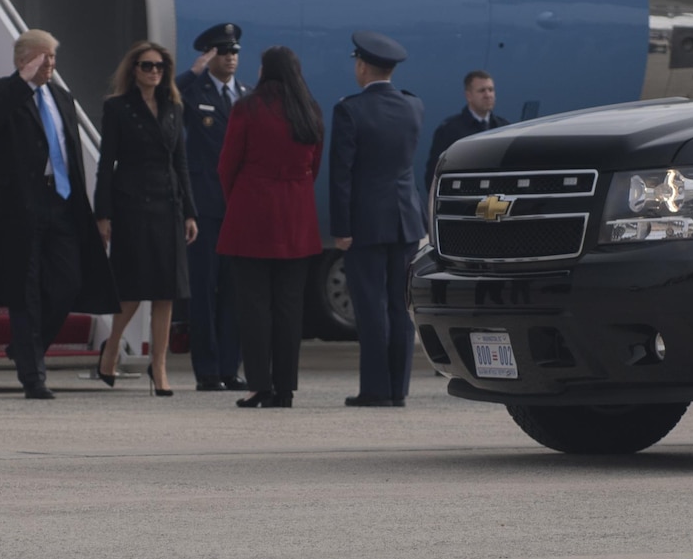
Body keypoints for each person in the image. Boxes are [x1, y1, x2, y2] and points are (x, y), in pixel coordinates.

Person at [0, 30, 117, 399]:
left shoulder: (62, 98)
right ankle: (33, 376)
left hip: (59, 202)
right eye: (44, 59)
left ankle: (26, 348)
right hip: (18, 207)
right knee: (24, 291)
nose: (50, 66)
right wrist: (23, 83)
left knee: (68, 284)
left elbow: (70, 155)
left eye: (53, 59)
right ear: (24, 60)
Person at [216, 46, 324, 410]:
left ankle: (259, 385)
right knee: (290, 309)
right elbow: (315, 166)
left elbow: (227, 165)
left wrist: (242, 200)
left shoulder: (246, 108)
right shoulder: (310, 110)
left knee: (253, 307)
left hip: (251, 215)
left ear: (264, 70)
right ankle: (285, 388)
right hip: (297, 219)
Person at [93, 41, 198, 396]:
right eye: (146, 66)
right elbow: (106, 164)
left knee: (166, 291)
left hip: (168, 203)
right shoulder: (118, 108)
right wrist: (103, 213)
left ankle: (160, 366)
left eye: (159, 67)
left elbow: (181, 161)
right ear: (133, 70)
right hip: (133, 204)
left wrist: (189, 212)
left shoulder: (174, 107)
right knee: (133, 289)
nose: (154, 72)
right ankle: (111, 347)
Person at [332, 32, 427, 409]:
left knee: (371, 306)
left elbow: (342, 175)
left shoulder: (349, 110)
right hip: (406, 218)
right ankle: (398, 389)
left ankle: (375, 389)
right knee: (399, 307)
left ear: (361, 66)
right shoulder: (413, 106)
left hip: (367, 222)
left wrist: (341, 228)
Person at [179, 23, 247, 391]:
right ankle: (206, 370)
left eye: (235, 52)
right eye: (223, 52)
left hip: (238, 208)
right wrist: (193, 72)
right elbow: (164, 96)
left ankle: (228, 367)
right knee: (204, 290)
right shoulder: (196, 92)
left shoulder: (246, 96)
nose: (231, 58)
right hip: (205, 206)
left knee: (234, 290)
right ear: (209, 56)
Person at [424, 70, 508, 191]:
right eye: (482, 90)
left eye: (491, 90)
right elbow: (434, 174)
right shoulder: (449, 130)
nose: (488, 95)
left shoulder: (503, 128)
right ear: (468, 96)